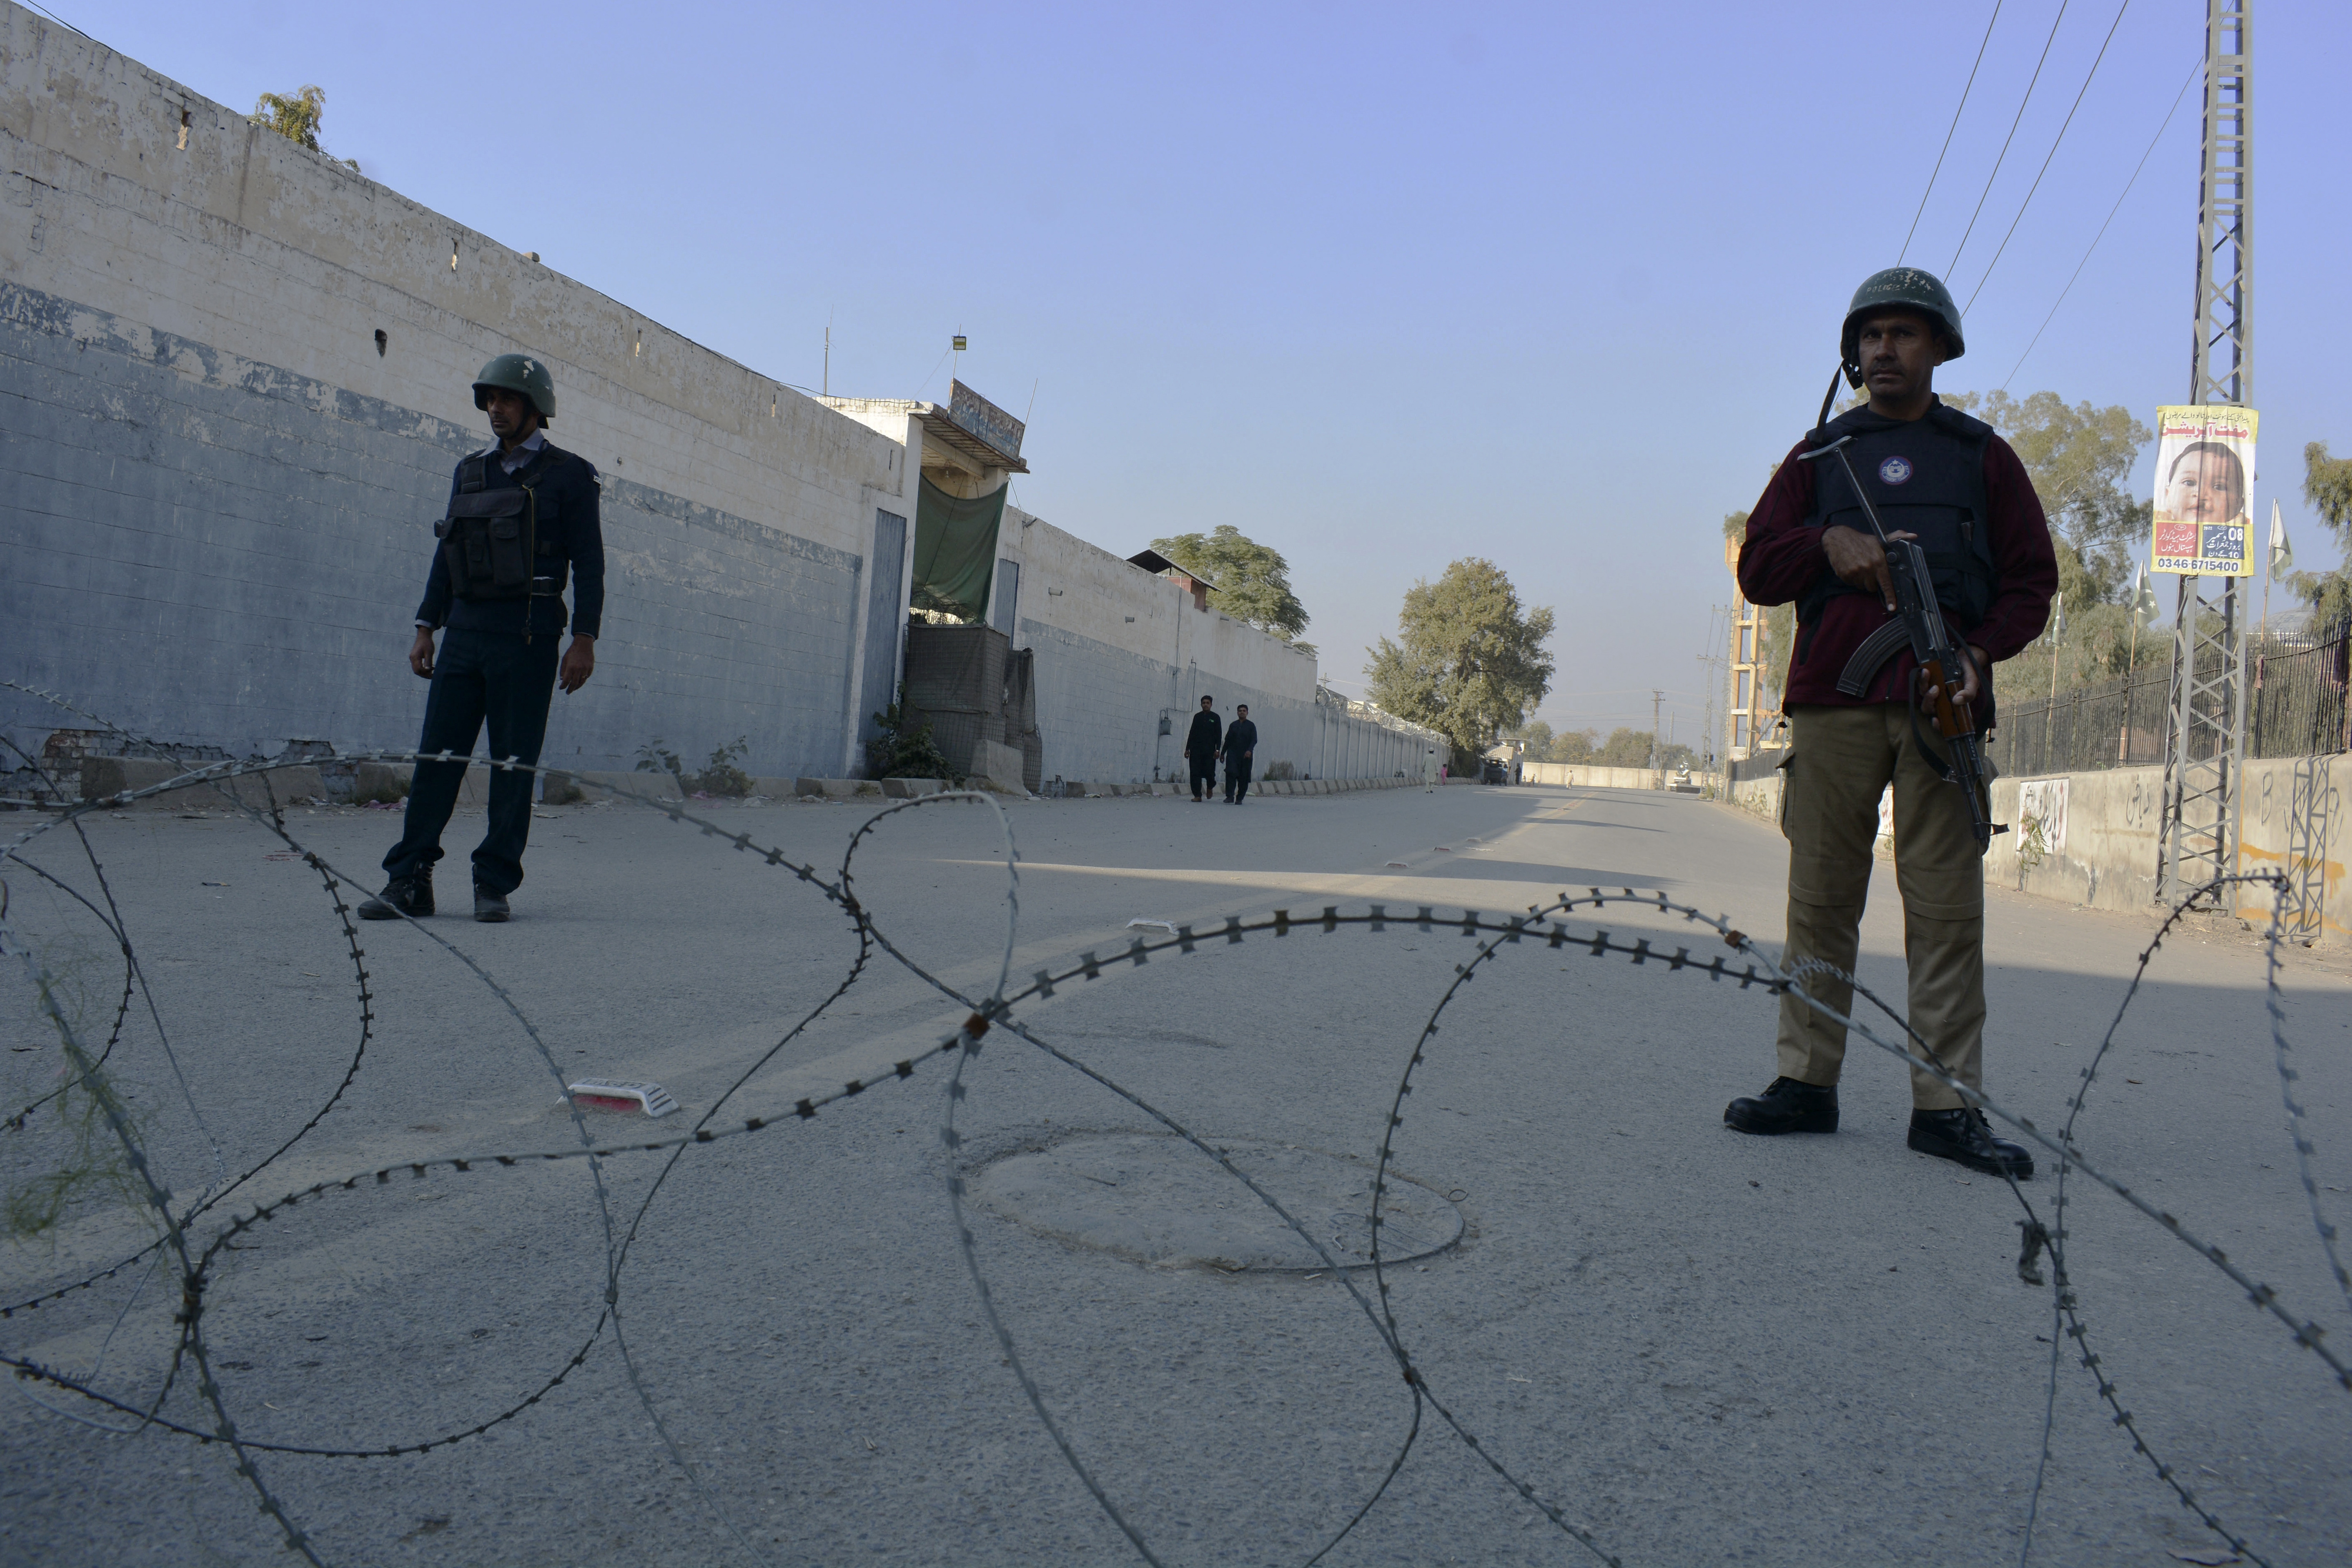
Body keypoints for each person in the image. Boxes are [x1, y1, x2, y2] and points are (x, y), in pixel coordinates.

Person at [1726, 267, 2057, 1179]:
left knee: (1946, 910)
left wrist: (1979, 653)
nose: (1884, 350)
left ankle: (1945, 1106)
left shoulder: (1980, 456)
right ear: (1852, 351)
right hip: (1834, 702)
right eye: (1871, 335)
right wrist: (1824, 545)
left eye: (1905, 334)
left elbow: (2033, 582)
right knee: (1821, 899)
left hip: (1941, 706)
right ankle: (1805, 1081)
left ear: (1940, 348)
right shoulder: (1817, 458)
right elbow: (1757, 566)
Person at [360, 354, 604, 924]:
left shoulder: (571, 475)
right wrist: (426, 628)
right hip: (465, 636)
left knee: (512, 766)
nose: (496, 409)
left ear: (535, 408)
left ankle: (492, 883)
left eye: (508, 399)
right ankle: (409, 880)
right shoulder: (470, 471)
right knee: (436, 762)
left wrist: (584, 640)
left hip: (528, 639)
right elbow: (446, 556)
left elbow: (590, 565)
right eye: (490, 399)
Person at [1182, 694, 1222, 803]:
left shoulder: (1215, 718)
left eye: (1207, 703)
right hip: (1196, 750)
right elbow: (1192, 733)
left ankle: (1210, 786)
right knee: (1195, 772)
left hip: (1209, 751)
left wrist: (1218, 750)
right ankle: (1197, 795)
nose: (1205, 705)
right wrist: (1187, 749)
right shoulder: (1197, 717)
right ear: (1201, 705)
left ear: (1211, 705)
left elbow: (1219, 735)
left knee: (1210, 772)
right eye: (1204, 703)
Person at [1221, 704, 1258, 804]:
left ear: (1247, 713)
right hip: (1233, 755)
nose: (1242, 712)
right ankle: (1229, 797)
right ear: (1237, 713)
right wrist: (1222, 754)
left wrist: (1249, 751)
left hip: (1246, 756)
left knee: (1244, 777)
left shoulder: (1251, 726)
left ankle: (1240, 798)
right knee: (1230, 774)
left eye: (1244, 711)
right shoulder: (1233, 725)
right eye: (1240, 711)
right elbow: (1228, 740)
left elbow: (1254, 740)